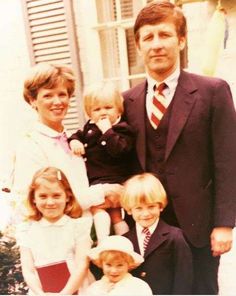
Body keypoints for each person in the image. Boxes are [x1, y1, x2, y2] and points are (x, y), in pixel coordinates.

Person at [122, 1, 236, 294]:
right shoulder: (127, 101)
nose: (156, 45)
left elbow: (228, 161)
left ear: (181, 40)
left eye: (165, 35)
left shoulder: (212, 92)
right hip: (147, 229)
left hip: (198, 228)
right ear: (138, 45)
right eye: (148, 37)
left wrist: (224, 224)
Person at [12, 63, 122, 215]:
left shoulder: (76, 139)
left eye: (62, 94)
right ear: (33, 100)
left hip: (93, 229)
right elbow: (36, 204)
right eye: (48, 95)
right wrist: (103, 191)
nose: (57, 102)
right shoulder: (31, 146)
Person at [68, 81, 135, 241]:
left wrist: (107, 131)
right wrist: (74, 141)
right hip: (95, 181)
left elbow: (119, 150)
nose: (102, 113)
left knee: (114, 214)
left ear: (119, 108)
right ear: (89, 113)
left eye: (108, 107)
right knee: (99, 210)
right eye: (97, 109)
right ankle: (103, 240)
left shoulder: (123, 129)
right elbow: (77, 134)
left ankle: (124, 241)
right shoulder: (89, 128)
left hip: (114, 180)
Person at [16, 167, 94, 295]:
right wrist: (40, 294)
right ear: (33, 198)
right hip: (41, 291)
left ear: (67, 196)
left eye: (56, 195)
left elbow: (82, 265)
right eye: (43, 196)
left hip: (76, 289)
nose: (50, 202)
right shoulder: (26, 230)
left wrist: (65, 294)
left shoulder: (78, 227)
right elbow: (28, 270)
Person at [121, 172, 193, 295]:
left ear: (160, 206)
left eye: (151, 207)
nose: (146, 214)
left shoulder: (175, 237)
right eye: (138, 208)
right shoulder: (124, 241)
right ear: (129, 209)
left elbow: (184, 279)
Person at [84, 235, 153, 296]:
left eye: (120, 265)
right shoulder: (94, 288)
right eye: (108, 265)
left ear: (129, 264)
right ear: (101, 264)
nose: (114, 271)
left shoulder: (139, 287)